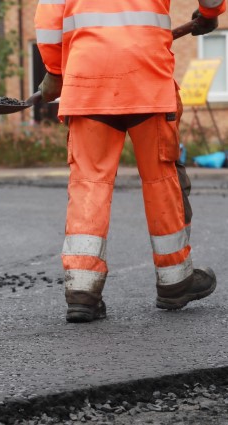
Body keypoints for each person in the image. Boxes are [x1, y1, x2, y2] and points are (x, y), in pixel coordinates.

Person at [35, 0, 224, 322]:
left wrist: (55, 71)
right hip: (147, 78)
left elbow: (48, 21)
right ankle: (175, 281)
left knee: (88, 184)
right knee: (162, 180)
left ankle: (83, 289)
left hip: (87, 82)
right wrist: (208, 15)